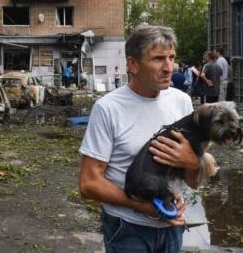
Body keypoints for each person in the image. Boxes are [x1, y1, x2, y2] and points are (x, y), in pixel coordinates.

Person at [79, 25, 201, 253]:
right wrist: (142, 206)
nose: (168, 68)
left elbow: (193, 182)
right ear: (132, 64)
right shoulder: (108, 108)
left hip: (172, 226)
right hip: (128, 229)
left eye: (171, 58)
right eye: (157, 59)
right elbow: (89, 184)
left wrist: (193, 163)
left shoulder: (182, 102)